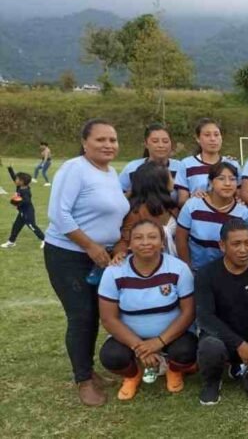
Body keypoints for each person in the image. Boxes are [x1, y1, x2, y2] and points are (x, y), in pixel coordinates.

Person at [43, 119, 130, 406]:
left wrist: (117, 242)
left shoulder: (109, 172)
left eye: (113, 140)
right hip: (69, 255)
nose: (108, 145)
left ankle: (89, 369)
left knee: (95, 313)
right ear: (85, 142)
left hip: (100, 257)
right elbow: (59, 214)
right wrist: (90, 246)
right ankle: (83, 380)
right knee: (81, 315)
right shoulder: (74, 169)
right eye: (101, 140)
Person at [98, 220, 196, 400]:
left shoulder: (178, 268)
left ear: (162, 242)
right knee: (111, 356)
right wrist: (139, 346)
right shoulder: (114, 272)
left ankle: (173, 370)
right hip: (131, 338)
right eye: (138, 238)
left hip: (170, 336)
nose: (145, 243)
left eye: (152, 237)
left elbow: (188, 312)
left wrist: (159, 342)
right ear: (129, 243)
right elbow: (108, 319)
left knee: (187, 350)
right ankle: (132, 375)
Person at [195, 219, 248, 405]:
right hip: (222, 339)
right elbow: (205, 317)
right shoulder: (206, 274)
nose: (243, 250)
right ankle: (212, 382)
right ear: (222, 246)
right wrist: (240, 344)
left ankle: (240, 369)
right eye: (236, 244)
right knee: (210, 346)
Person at [175, 162, 248, 270]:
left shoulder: (243, 212)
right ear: (211, 181)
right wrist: (187, 269)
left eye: (232, 179)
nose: (227, 184)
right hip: (197, 270)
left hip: (229, 273)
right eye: (221, 178)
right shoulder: (193, 205)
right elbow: (180, 238)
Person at [112, 161, 179, 258]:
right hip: (146, 264)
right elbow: (125, 241)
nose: (174, 180)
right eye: (170, 177)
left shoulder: (171, 207)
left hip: (174, 264)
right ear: (159, 182)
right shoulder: (136, 212)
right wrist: (120, 254)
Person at [175, 118, 241, 207]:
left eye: (216, 135)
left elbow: (239, 196)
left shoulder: (233, 164)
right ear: (198, 138)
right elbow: (181, 201)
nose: (213, 139)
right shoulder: (186, 164)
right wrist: (193, 198)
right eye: (207, 135)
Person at [118, 123, 184, 200]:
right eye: (155, 141)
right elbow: (118, 197)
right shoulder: (132, 168)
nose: (161, 145)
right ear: (146, 144)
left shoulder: (180, 168)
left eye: (165, 141)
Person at [1, 167, 45, 248]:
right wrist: (10, 169)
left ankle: (44, 240)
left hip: (28, 212)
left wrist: (15, 202)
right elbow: (14, 178)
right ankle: (11, 241)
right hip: (22, 212)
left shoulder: (25, 191)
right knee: (16, 226)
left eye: (17, 179)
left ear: (22, 182)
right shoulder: (20, 187)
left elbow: (27, 201)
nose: (15, 180)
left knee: (32, 226)